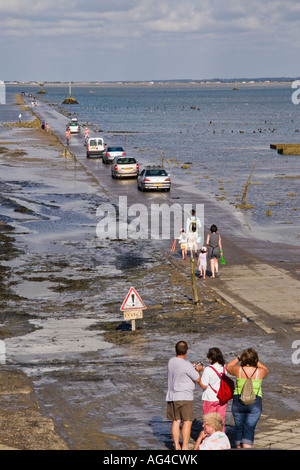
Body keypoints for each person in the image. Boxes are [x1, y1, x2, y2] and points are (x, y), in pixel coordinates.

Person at [226, 348, 269, 449]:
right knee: (249, 429)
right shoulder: (260, 372)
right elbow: (266, 370)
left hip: (238, 402)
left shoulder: (238, 370)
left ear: (243, 359)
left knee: (238, 427)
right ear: (255, 359)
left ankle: (238, 447)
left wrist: (238, 358)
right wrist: (255, 361)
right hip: (255, 402)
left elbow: (228, 367)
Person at [166, 341, 201, 450]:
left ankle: (177, 445)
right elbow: (197, 378)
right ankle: (185, 445)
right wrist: (198, 370)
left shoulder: (171, 361)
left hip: (172, 396)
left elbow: (181, 369)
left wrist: (192, 366)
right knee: (187, 421)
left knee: (176, 421)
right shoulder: (186, 365)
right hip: (185, 396)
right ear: (186, 351)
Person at [197, 348, 228, 426]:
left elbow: (204, 386)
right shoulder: (224, 368)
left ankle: (209, 437)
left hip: (210, 398)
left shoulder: (208, 370)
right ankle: (220, 436)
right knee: (220, 421)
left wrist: (198, 375)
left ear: (210, 358)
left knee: (209, 421)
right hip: (222, 398)